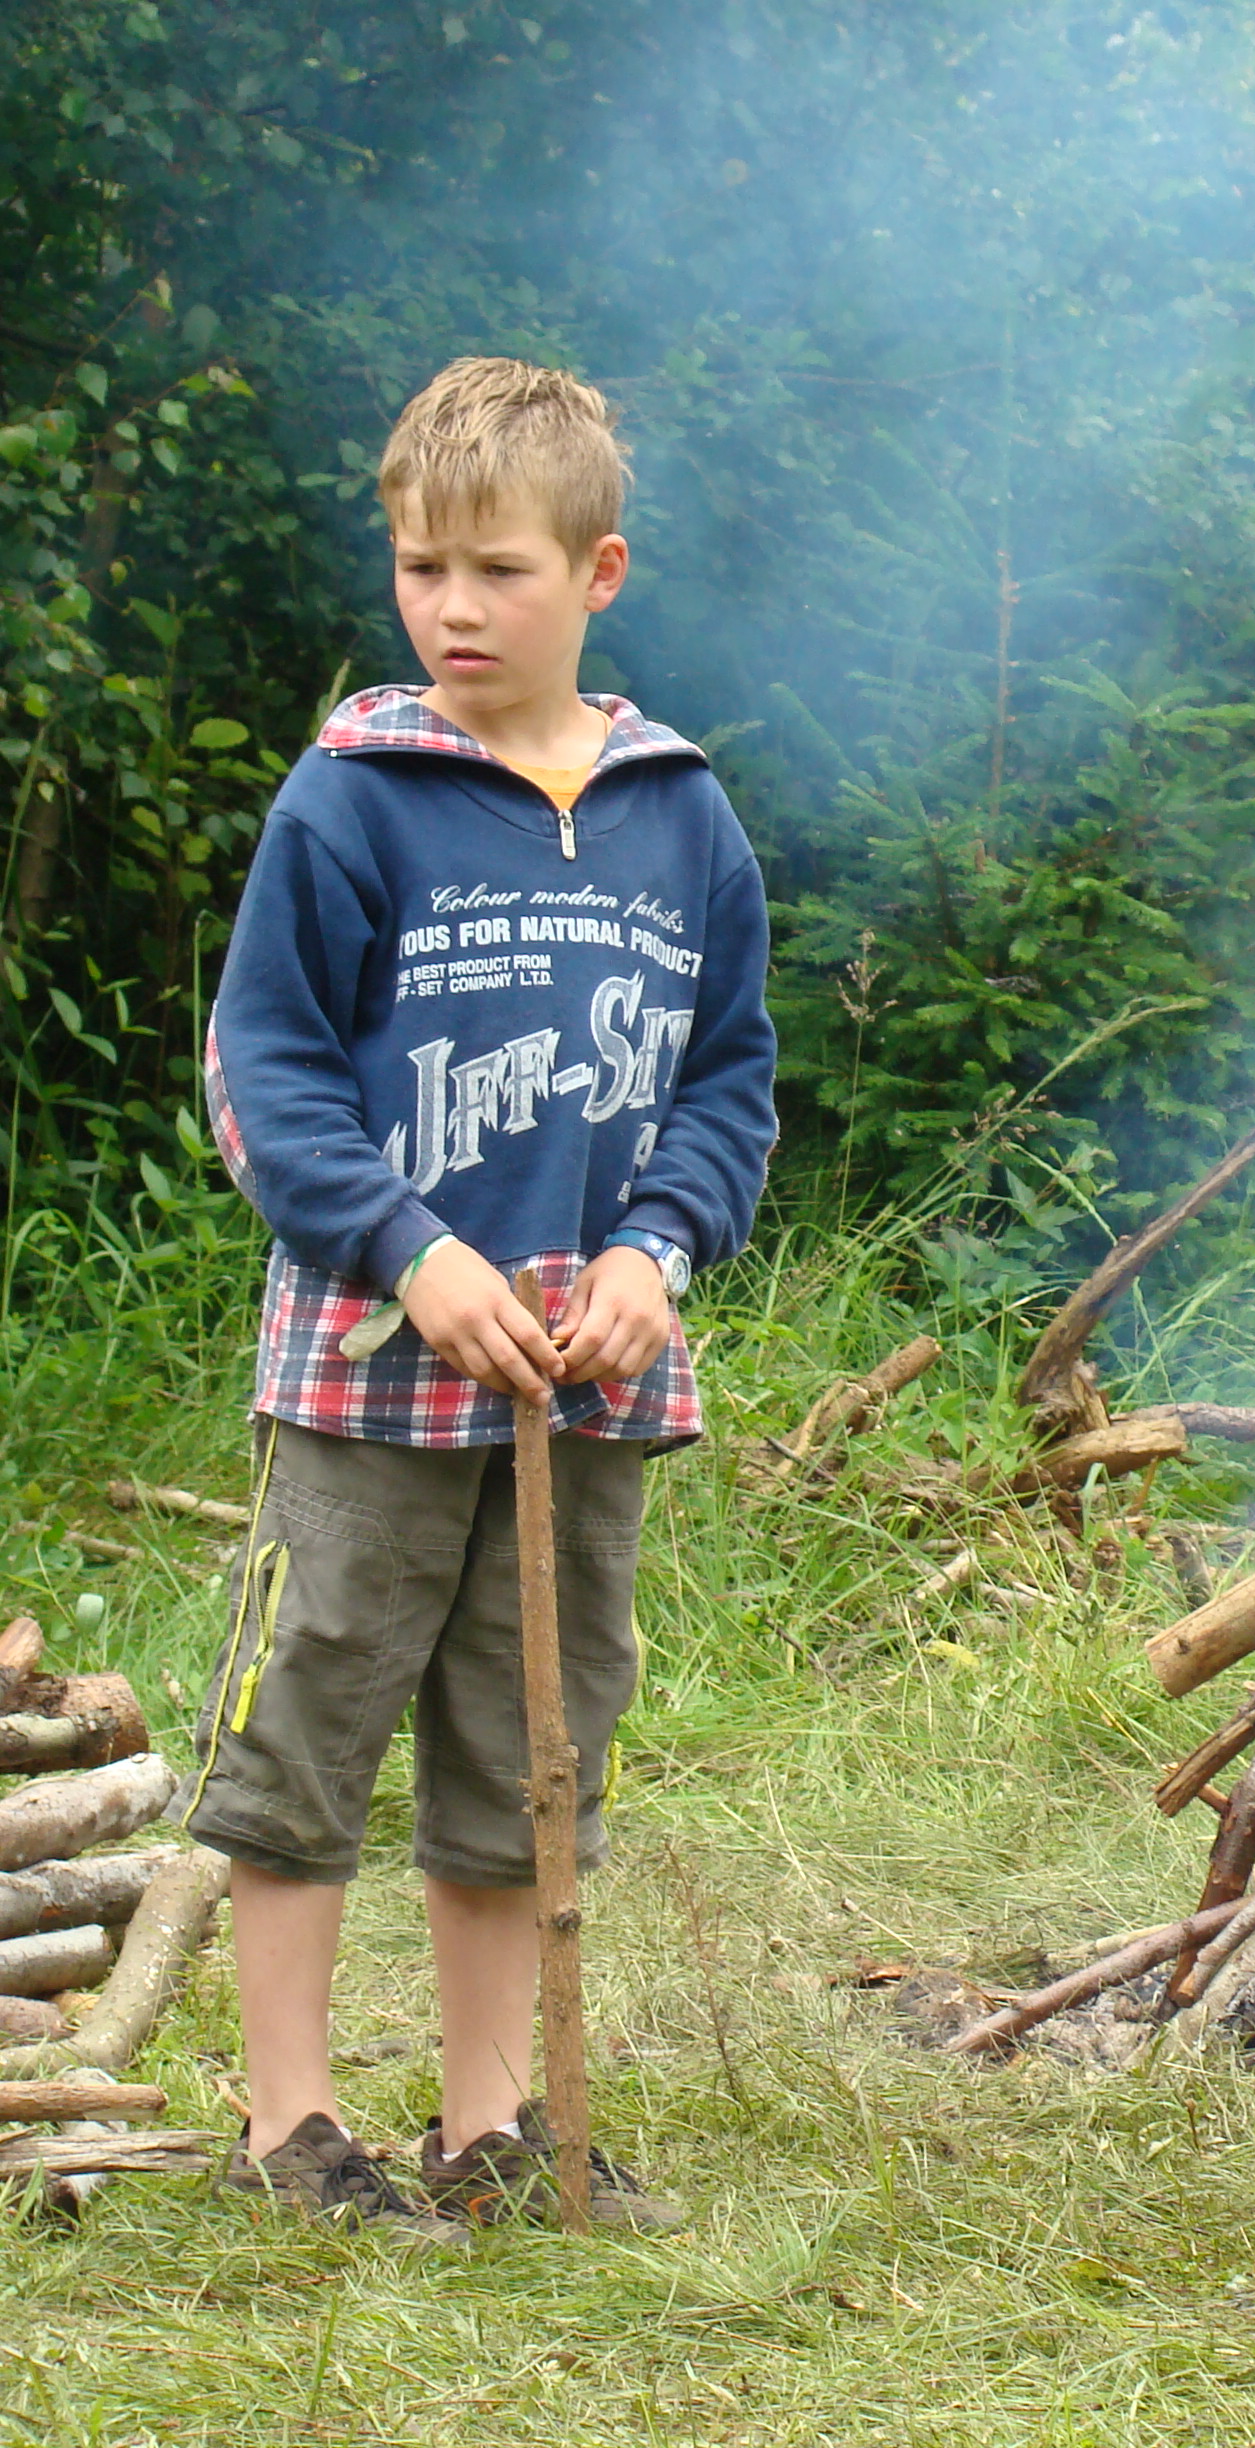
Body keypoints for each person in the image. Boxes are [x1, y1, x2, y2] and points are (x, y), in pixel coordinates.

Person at [191, 357, 777, 2236]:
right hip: (376, 1363)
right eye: (422, 567)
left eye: (498, 571)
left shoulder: (681, 816)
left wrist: (655, 1253)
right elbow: (267, 1076)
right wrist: (413, 1250)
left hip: (578, 1377)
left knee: (535, 1743)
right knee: (311, 1718)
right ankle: (289, 2124)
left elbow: (728, 1085)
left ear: (598, 573)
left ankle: (491, 2126)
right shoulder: (350, 799)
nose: (453, 607)